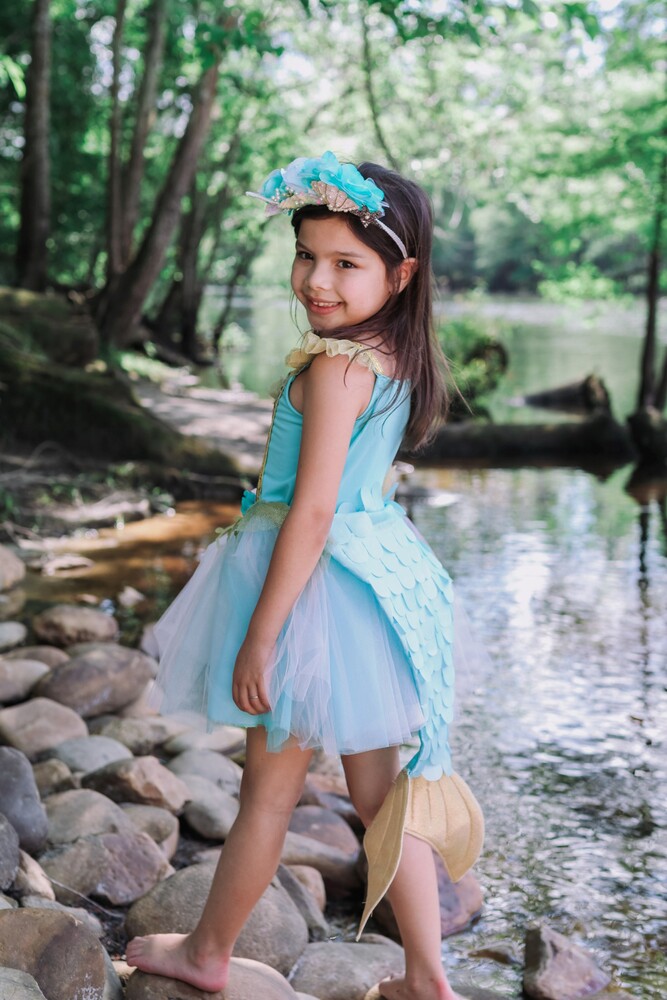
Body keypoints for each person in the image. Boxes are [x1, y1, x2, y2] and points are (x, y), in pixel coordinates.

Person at [126, 151, 483, 1000]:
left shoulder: (336, 367)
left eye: (345, 264)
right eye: (305, 256)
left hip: (309, 592)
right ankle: (426, 977)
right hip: (369, 586)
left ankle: (209, 953)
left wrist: (263, 635)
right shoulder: (393, 355)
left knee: (268, 794)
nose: (316, 281)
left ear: (401, 274)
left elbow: (312, 511)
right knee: (382, 796)